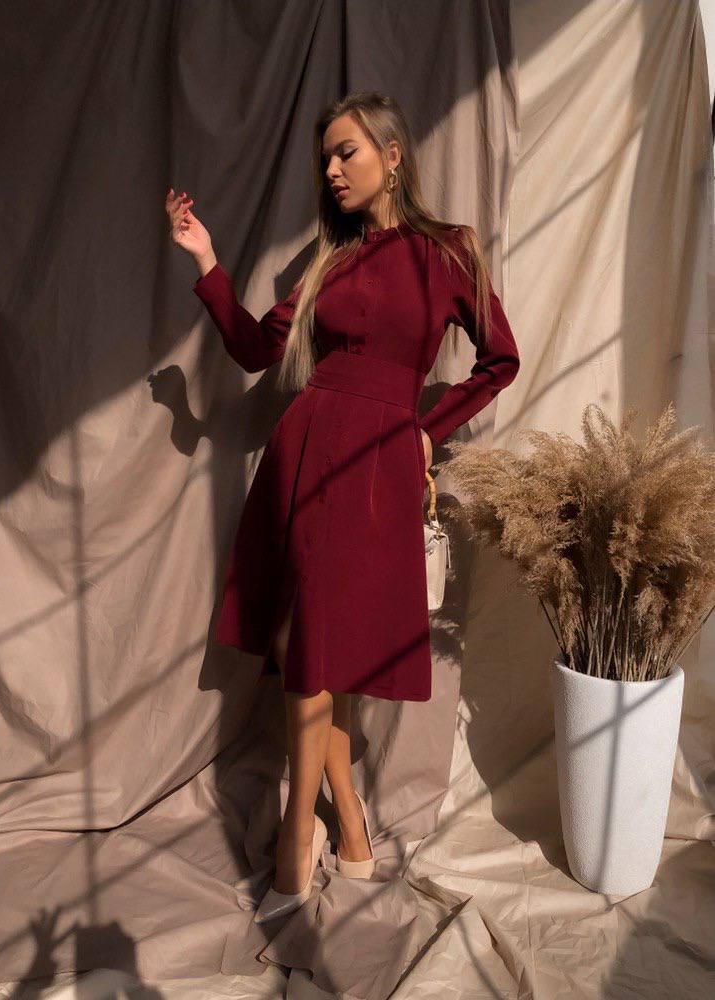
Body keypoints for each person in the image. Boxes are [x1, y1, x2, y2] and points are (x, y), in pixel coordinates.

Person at [164, 91, 520, 923]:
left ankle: (314, 830)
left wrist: (425, 431)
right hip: (302, 450)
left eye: (345, 153)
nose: (330, 170)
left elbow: (499, 360)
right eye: (325, 158)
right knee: (304, 642)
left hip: (374, 465)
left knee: (329, 641)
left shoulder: (450, 251)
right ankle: (332, 825)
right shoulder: (327, 259)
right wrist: (207, 260)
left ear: (393, 155)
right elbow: (257, 348)